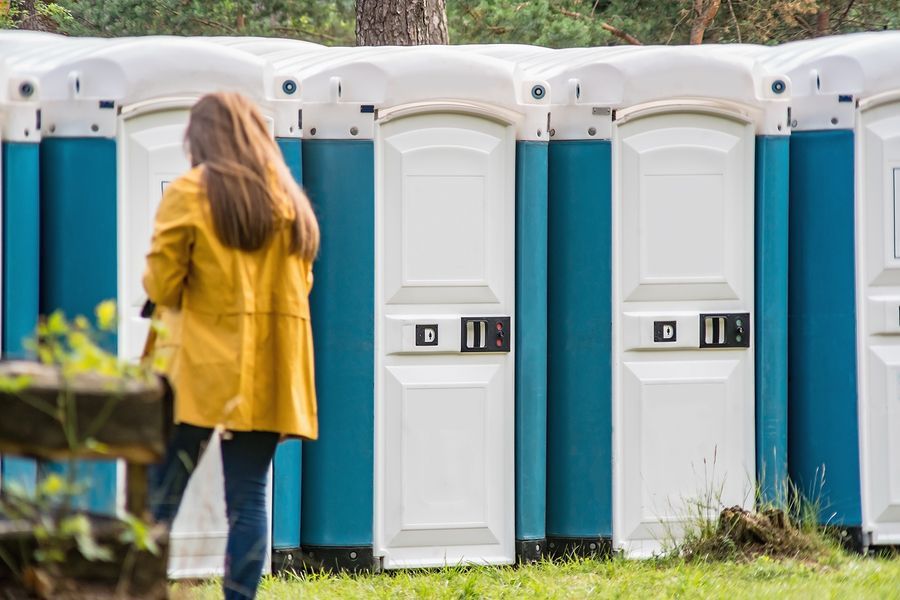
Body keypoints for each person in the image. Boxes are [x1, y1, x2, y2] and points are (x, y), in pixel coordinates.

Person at [143, 92, 319, 599]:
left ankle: (140, 589)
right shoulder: (289, 200)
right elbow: (301, 285)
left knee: (161, 495)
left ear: (201, 138)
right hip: (271, 365)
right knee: (248, 497)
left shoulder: (190, 191)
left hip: (199, 365)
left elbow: (162, 285)